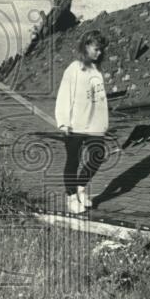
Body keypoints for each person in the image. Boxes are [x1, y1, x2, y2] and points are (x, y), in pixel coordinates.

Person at [54, 29, 109, 214]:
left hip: (94, 124)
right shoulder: (74, 68)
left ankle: (81, 187)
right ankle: (71, 197)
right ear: (86, 46)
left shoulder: (97, 71)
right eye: (96, 49)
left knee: (97, 155)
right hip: (75, 123)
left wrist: (103, 123)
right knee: (73, 161)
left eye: (101, 50)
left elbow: (101, 100)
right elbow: (64, 96)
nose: (99, 53)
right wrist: (63, 122)